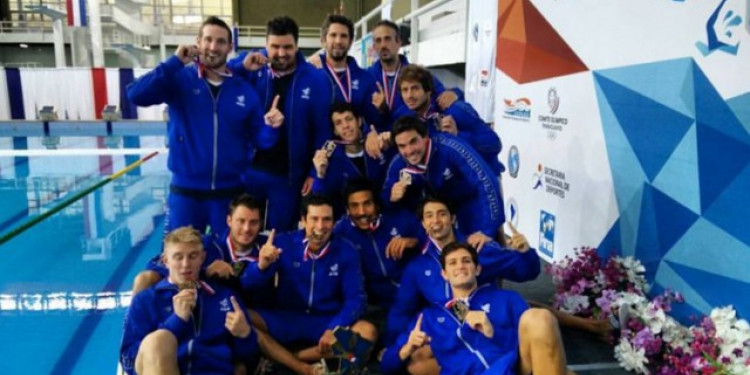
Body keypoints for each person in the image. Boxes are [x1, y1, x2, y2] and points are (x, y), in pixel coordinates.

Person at [127, 16, 281, 236]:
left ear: (230, 47)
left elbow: (260, 140)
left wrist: (271, 127)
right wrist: (174, 62)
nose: (213, 47)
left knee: (228, 265)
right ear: (197, 42)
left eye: (220, 42)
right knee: (178, 264)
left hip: (230, 194)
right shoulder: (180, 80)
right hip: (185, 194)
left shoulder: (244, 91)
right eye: (208, 40)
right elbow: (135, 94)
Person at [381, 242, 571, 375]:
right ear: (444, 274)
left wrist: (492, 332)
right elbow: (387, 365)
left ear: (477, 269)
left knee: (539, 318)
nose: (460, 266)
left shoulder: (506, 299)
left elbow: (542, 344)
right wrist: (407, 348)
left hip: (511, 368)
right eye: (453, 263)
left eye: (466, 261)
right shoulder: (430, 317)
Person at [240, 194, 377, 370]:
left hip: (324, 322)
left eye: (326, 219)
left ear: (334, 222)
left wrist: (334, 328)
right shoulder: (283, 243)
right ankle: (305, 366)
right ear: (303, 220)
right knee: (243, 316)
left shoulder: (347, 250)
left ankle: (286, 359)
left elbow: (356, 298)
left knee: (368, 332)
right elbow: (247, 285)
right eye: (314, 219)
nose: (320, 226)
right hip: (287, 318)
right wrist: (261, 266)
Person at [386, 197, 540, 347]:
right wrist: (392, 345)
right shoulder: (418, 266)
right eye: (429, 216)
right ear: (423, 224)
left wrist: (525, 253)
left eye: (442, 214)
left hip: (489, 324)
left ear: (452, 219)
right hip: (448, 334)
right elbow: (402, 309)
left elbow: (527, 272)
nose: (436, 221)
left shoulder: (478, 248)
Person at [228, 16, 333, 231]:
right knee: (243, 233)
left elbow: (322, 130)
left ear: (297, 45)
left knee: (280, 236)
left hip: (288, 176)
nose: (281, 53)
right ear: (266, 44)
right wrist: (241, 66)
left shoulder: (316, 79)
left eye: (288, 47)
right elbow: (220, 74)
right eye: (275, 46)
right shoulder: (251, 68)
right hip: (249, 170)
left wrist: (314, 173)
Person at [120, 226, 258, 375]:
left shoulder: (224, 297)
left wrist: (244, 335)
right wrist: (176, 322)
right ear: (165, 260)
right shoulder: (146, 301)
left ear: (202, 258)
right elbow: (128, 361)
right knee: (157, 341)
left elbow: (248, 359)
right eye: (178, 257)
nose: (186, 264)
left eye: (192, 256)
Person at [383, 116, 504, 238]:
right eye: (402, 146)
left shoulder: (451, 148)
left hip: (472, 205)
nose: (409, 151)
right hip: (439, 217)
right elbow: (385, 198)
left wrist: (487, 230)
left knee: (481, 247)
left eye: (413, 142)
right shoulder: (399, 164)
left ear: (425, 137)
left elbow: (485, 182)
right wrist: (391, 197)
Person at [333, 178, 422, 335]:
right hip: (378, 306)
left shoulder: (400, 216)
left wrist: (413, 242)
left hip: (418, 294)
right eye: (354, 206)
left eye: (367, 204)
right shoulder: (340, 233)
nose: (361, 212)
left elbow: (436, 244)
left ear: (377, 204)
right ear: (347, 209)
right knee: (368, 334)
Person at [390, 64, 503, 176]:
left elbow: (494, 142)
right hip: (451, 186)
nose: (409, 95)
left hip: (484, 182)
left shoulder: (454, 109)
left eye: (415, 88)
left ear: (428, 90)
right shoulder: (409, 119)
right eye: (405, 90)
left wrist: (458, 135)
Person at [311, 102, 393, 216]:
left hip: (385, 214)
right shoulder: (329, 158)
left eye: (349, 119)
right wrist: (320, 175)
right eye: (338, 123)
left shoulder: (377, 144)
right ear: (335, 130)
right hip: (351, 221)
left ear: (359, 121)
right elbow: (318, 200)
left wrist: (391, 141)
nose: (345, 125)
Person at [316, 14, 383, 129]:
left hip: (354, 146)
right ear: (323, 40)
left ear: (350, 42)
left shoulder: (365, 79)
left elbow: (374, 122)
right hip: (319, 146)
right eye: (333, 35)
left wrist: (381, 109)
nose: (338, 41)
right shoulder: (310, 76)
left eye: (343, 36)